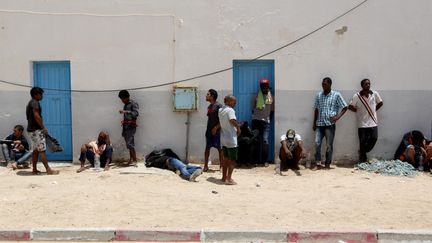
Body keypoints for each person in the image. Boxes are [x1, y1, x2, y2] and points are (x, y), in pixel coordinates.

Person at [312, 77, 348, 170]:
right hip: (319, 124)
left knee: (329, 145)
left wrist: (337, 117)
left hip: (330, 124)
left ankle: (327, 164)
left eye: (325, 84)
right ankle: (318, 163)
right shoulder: (319, 95)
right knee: (317, 143)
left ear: (330, 84)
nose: (323, 85)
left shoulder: (336, 95)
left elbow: (345, 107)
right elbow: (316, 109)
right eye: (322, 84)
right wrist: (314, 122)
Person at [348, 79, 383, 162]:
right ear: (362, 86)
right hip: (362, 123)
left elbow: (380, 103)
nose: (368, 85)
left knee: (374, 138)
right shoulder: (357, 96)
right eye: (366, 84)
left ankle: (362, 151)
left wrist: (373, 111)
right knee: (362, 142)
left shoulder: (374, 94)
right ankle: (363, 159)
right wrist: (358, 111)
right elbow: (350, 106)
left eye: (369, 84)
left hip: (373, 122)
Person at [26, 87, 59, 175]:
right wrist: (43, 127)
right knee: (42, 150)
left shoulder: (30, 103)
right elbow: (36, 115)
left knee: (36, 150)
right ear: (36, 95)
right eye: (41, 94)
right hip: (36, 130)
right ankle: (48, 170)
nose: (42, 96)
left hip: (31, 130)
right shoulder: (35, 103)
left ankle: (34, 169)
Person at [218, 95, 241, 185]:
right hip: (231, 139)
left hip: (223, 138)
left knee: (225, 159)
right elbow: (232, 120)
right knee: (232, 159)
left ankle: (223, 178)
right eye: (233, 101)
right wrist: (238, 128)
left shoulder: (220, 110)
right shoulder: (230, 110)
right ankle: (229, 179)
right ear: (227, 101)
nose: (235, 103)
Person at [251, 78, 274, 164]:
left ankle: (265, 161)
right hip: (256, 121)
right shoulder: (256, 97)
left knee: (265, 140)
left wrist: (267, 119)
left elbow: (272, 111)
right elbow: (252, 109)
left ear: (268, 86)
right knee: (256, 140)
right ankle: (255, 160)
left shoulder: (271, 97)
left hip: (266, 123)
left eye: (265, 86)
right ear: (260, 86)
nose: (264, 87)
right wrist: (256, 117)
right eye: (262, 86)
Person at [204, 89, 223, 172]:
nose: (206, 96)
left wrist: (216, 128)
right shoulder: (209, 107)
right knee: (207, 148)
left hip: (217, 132)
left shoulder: (219, 106)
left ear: (212, 96)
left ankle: (222, 167)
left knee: (220, 149)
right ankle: (205, 166)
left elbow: (222, 120)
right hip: (209, 131)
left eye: (208, 94)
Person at [118, 90, 139, 166]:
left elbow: (136, 114)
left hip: (131, 126)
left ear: (127, 97)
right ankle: (131, 159)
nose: (122, 101)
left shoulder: (133, 103)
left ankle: (135, 160)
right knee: (128, 144)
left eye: (123, 99)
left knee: (130, 143)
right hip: (126, 126)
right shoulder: (126, 104)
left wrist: (126, 112)